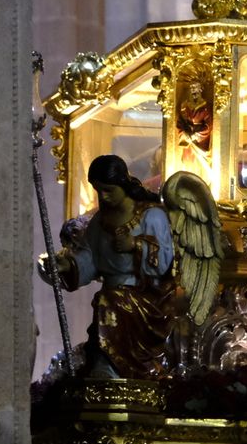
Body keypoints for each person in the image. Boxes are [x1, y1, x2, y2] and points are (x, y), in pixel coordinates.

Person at [39, 154, 176, 378]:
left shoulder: (152, 215)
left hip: (145, 297)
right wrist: (67, 264)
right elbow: (90, 260)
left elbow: (163, 262)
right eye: (98, 190)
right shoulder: (98, 222)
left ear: (122, 183)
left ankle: (113, 369)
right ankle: (106, 367)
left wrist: (136, 245)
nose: (103, 196)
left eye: (108, 190)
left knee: (109, 302)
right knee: (107, 304)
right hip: (112, 296)